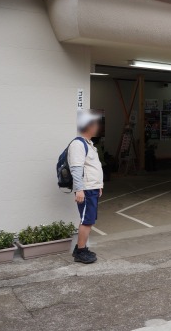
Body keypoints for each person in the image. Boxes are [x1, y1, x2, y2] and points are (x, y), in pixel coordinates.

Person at [68, 110, 104, 264]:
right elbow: (76, 169)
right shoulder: (78, 144)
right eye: (95, 124)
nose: (97, 127)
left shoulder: (89, 144)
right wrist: (79, 189)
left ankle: (80, 248)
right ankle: (80, 251)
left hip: (92, 188)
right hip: (86, 189)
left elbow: (91, 167)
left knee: (89, 219)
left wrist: (99, 185)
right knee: (86, 220)